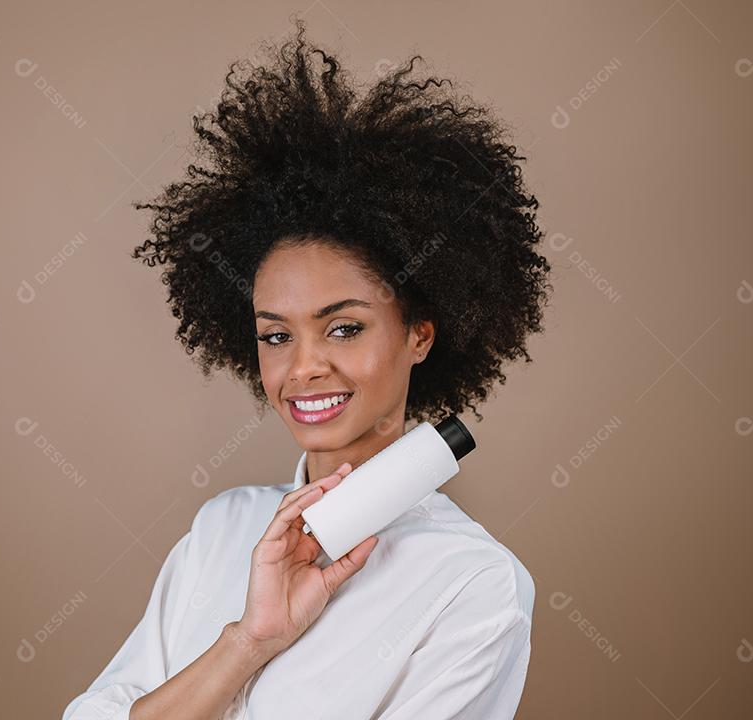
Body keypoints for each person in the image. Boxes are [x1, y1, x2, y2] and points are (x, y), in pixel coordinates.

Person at [62, 17, 551, 720]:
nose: (304, 368)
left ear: (419, 333)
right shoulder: (222, 532)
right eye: (274, 336)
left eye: (343, 328)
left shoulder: (472, 584)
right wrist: (249, 640)